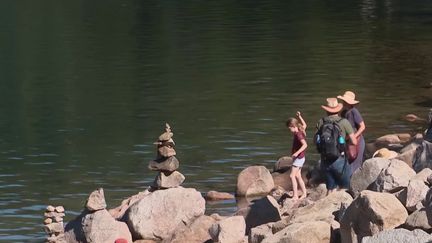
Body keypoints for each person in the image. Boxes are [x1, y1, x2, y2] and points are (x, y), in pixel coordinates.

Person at [315, 98, 357, 194]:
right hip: (340, 158)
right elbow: (354, 142)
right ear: (338, 110)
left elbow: (316, 140)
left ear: (326, 110)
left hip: (325, 159)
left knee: (330, 188)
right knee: (345, 188)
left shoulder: (321, 122)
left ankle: (329, 206)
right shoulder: (344, 122)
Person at [338, 91, 366, 173]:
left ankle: (355, 183)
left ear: (349, 103)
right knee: (348, 162)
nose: (343, 102)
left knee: (355, 164)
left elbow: (362, 126)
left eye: (344, 101)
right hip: (349, 141)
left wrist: (354, 136)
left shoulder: (354, 111)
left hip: (358, 141)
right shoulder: (343, 113)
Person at [286, 111, 308, 200]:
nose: (289, 130)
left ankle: (295, 195)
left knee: (292, 176)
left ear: (293, 126)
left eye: (289, 128)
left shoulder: (299, 134)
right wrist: (300, 116)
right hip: (300, 158)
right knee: (298, 176)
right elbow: (304, 124)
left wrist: (296, 153)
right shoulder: (300, 130)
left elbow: (305, 145)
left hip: (299, 158)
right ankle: (304, 193)